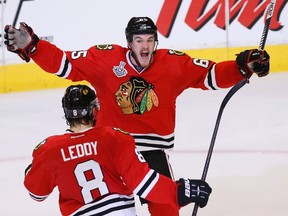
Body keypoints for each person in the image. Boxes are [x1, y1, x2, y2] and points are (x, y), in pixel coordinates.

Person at [5, 17, 269, 216]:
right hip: (108, 150)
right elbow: (65, 64)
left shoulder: (173, 64)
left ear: (156, 42)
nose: (145, 45)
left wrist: (242, 65)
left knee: (166, 208)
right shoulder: (106, 58)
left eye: (149, 40)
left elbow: (210, 75)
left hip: (152, 150)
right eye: (139, 40)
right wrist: (35, 47)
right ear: (128, 43)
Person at [23, 84, 212, 216]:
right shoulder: (114, 138)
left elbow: (36, 194)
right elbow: (144, 183)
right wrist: (180, 191)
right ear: (94, 110)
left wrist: (33, 169)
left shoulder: (49, 149)